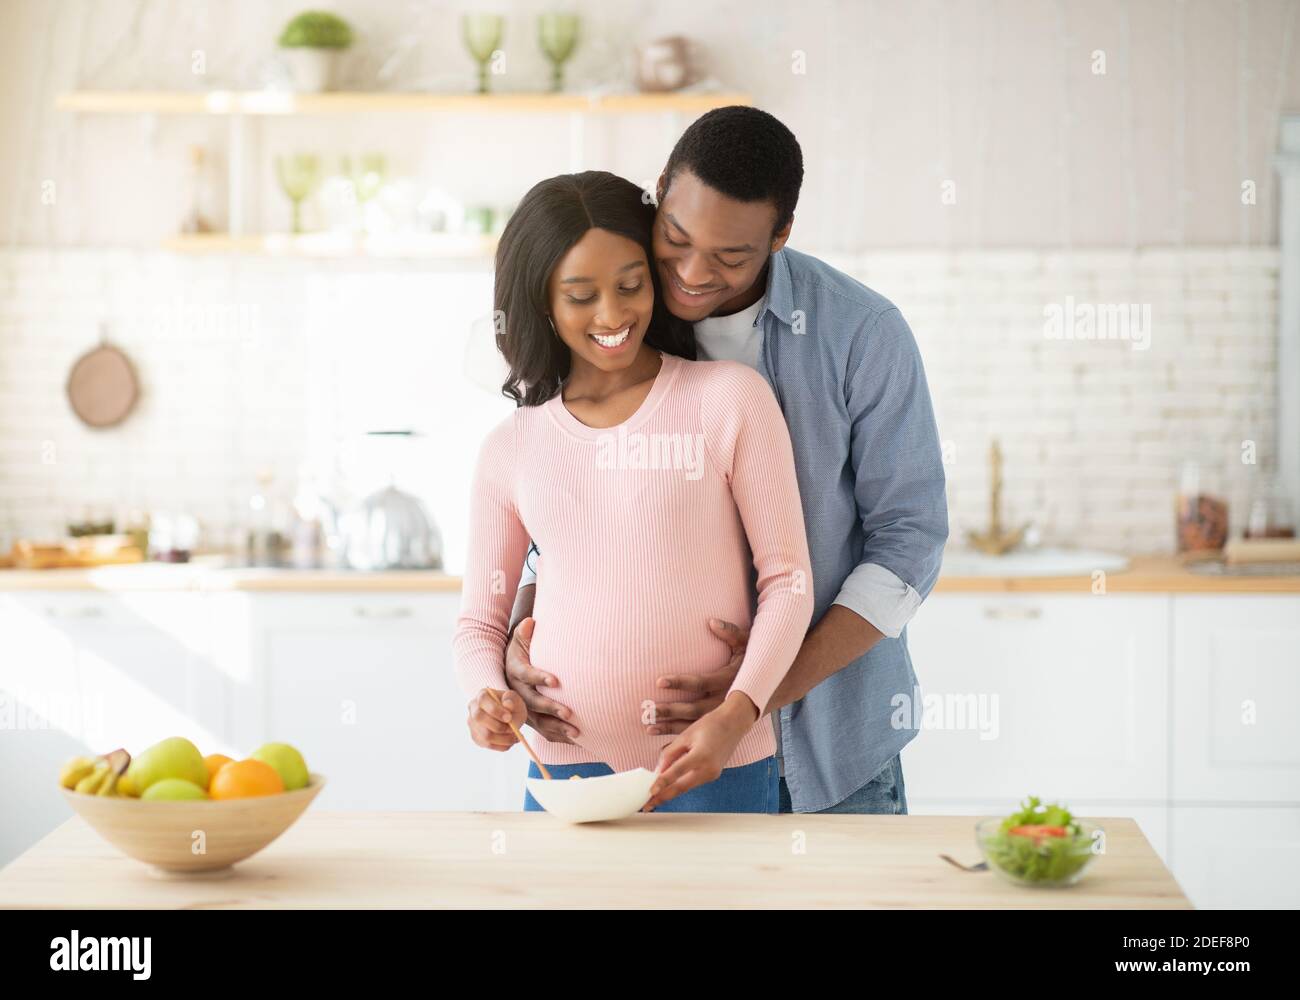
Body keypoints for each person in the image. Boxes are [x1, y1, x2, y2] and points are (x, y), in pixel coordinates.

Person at [503, 107, 949, 814]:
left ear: (780, 235)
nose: (689, 273)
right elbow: (554, 517)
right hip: (635, 767)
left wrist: (755, 695)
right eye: (675, 239)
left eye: (731, 257)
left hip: (832, 752)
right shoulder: (615, 315)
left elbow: (908, 545)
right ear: (660, 193)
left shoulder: (861, 335)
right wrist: (516, 641)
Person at [453, 170, 814, 813]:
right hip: (568, 774)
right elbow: (480, 620)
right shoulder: (510, 448)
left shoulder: (728, 400)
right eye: (581, 295)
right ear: (542, 302)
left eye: (630, 285)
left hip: (715, 762)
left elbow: (787, 581)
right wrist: (488, 697)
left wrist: (736, 714)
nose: (613, 315)